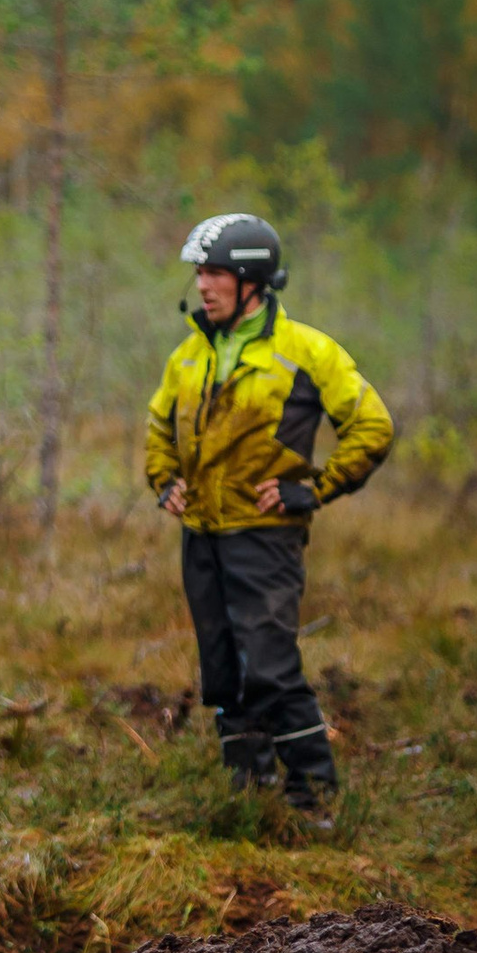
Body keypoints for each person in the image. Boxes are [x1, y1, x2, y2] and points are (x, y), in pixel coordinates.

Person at [145, 213, 394, 816]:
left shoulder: (307, 350)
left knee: (272, 665)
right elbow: (159, 426)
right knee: (224, 668)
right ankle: (249, 798)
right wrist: (165, 480)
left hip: (264, 538)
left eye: (215, 273)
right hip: (202, 535)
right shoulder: (190, 353)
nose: (203, 285)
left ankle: (316, 799)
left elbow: (372, 426)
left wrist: (315, 488)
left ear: (251, 280)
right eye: (199, 273)